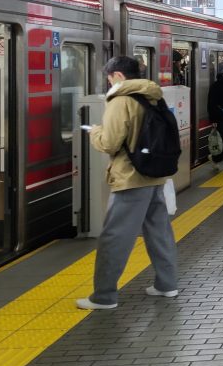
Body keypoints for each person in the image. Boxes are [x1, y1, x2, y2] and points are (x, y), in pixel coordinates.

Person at [76, 57, 177, 310]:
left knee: (114, 237)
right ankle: (167, 284)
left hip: (131, 178)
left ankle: (104, 296)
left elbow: (109, 143)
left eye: (109, 78)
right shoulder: (153, 95)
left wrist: (95, 132)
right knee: (159, 232)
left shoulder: (121, 100)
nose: (109, 83)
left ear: (118, 76)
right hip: (156, 174)